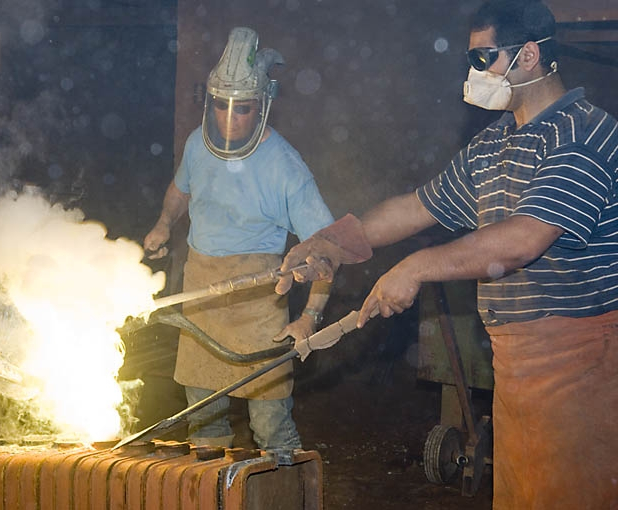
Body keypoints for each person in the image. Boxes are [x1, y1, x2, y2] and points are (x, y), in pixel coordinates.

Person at [277, 1, 618, 507]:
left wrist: (416, 267)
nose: (472, 73)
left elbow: (525, 237)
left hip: (581, 366)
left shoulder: (585, 133)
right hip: (516, 367)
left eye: (483, 60)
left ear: (528, 56)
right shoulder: (494, 145)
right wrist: (331, 242)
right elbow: (416, 207)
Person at [144, 27, 334, 450]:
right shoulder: (198, 145)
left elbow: (327, 249)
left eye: (242, 109)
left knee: (270, 428)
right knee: (203, 430)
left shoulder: (286, 167)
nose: (229, 120)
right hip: (200, 299)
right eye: (220, 106)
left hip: (259, 302)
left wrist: (310, 317)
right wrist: (163, 223)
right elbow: (180, 191)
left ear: (263, 104)